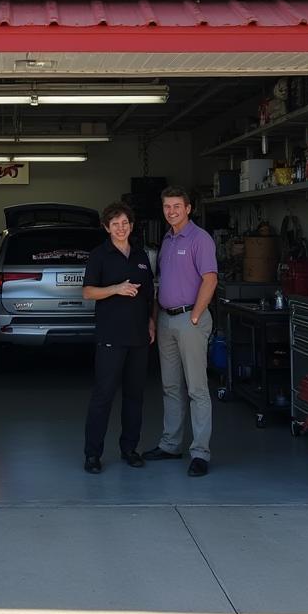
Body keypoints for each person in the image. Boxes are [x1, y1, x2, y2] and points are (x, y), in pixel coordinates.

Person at [144, 187, 218, 477]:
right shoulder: (168, 239)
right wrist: (154, 318)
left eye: (177, 206)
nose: (172, 211)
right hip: (166, 320)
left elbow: (210, 280)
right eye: (167, 207)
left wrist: (196, 315)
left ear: (188, 208)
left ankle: (200, 452)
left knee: (197, 389)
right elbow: (160, 283)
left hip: (190, 320)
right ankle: (170, 444)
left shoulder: (200, 239)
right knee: (171, 386)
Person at [81, 202, 155, 473]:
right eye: (115, 224)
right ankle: (92, 454)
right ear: (106, 227)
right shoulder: (99, 255)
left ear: (131, 226)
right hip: (111, 335)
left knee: (135, 397)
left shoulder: (141, 256)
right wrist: (116, 288)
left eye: (125, 223)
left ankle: (130, 449)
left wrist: (151, 322)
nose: (121, 228)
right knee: (103, 396)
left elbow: (149, 294)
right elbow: (88, 292)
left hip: (138, 336)